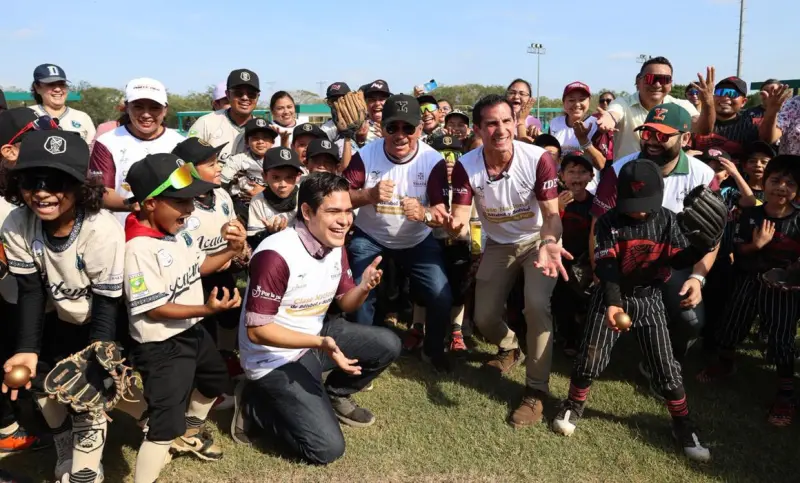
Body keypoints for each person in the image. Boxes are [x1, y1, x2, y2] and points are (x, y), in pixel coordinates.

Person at [232, 172, 401, 463]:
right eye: (333, 211)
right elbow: (257, 332)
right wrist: (322, 342)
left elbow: (345, 304)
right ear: (307, 211)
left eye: (348, 211)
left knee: (388, 343)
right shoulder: (275, 255)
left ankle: (335, 393)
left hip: (313, 340)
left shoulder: (335, 243)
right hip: (272, 357)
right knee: (326, 450)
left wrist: (363, 287)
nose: (344, 220)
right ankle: (255, 403)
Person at [551, 158, 712, 463]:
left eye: (645, 202)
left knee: (665, 366)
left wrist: (703, 244)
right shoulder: (610, 221)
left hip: (649, 298)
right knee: (591, 356)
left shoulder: (667, 220)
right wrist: (613, 301)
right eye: (632, 201)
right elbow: (607, 265)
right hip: (610, 295)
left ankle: (683, 424)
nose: (638, 209)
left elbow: (678, 260)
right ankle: (574, 403)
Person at [1, 131, 126, 482]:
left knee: (87, 389)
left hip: (102, 316)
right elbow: (30, 290)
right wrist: (27, 348)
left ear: (81, 185)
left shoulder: (101, 229)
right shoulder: (17, 222)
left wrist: (99, 356)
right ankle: (64, 443)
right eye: (30, 180)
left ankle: (87, 469)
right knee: (42, 385)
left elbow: (107, 301)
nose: (41, 191)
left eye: (56, 181)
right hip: (57, 314)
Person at [443, 94, 568, 428]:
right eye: (491, 123)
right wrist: (441, 221)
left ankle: (536, 392)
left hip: (539, 241)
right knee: (483, 317)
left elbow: (552, 215)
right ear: (479, 129)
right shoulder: (467, 166)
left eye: (506, 121)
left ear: (516, 123)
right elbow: (459, 220)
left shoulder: (539, 158)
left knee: (536, 305)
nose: (501, 130)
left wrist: (549, 242)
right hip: (499, 244)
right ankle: (512, 347)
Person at [122, 152, 245, 483]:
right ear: (149, 203)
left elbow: (199, 267)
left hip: (192, 330)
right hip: (161, 345)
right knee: (164, 423)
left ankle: (187, 433)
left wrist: (233, 250)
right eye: (180, 201)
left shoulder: (178, 231)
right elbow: (154, 308)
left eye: (192, 200)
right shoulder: (138, 249)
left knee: (215, 381)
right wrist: (208, 310)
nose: (190, 209)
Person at [591, 103, 718, 387]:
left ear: (685, 139)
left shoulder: (703, 176)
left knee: (690, 319)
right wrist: (600, 272)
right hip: (624, 261)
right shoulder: (621, 169)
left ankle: (658, 362)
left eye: (663, 136)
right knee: (600, 308)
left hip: (675, 264)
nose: (652, 141)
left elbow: (711, 236)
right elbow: (596, 227)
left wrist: (698, 277)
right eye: (648, 133)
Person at [342, 94, 454, 371]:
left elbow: (441, 211)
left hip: (416, 239)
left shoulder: (433, 160)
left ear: (419, 128)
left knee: (441, 294)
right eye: (393, 127)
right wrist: (368, 195)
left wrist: (425, 214)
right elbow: (341, 197)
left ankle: (433, 350)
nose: (400, 135)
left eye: (408, 128)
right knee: (358, 291)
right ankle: (362, 354)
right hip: (371, 236)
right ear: (381, 128)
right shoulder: (365, 155)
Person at [697, 155, 800, 426]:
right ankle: (726, 363)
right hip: (748, 280)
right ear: (764, 184)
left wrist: (793, 271)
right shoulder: (751, 214)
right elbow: (737, 250)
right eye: (776, 180)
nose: (782, 187)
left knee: (781, 339)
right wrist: (757, 245)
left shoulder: (798, 221)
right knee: (733, 324)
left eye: (790, 183)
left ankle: (786, 394)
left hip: (783, 291)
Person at [0, 108, 57, 455]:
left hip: (44, 301)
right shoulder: (9, 206)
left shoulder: (41, 189)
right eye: (35, 142)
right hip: (13, 302)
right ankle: (8, 426)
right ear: (9, 151)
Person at [89, 77, 185, 225]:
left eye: (154, 108)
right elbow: (101, 192)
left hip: (172, 232)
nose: (146, 114)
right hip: (123, 231)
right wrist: (135, 204)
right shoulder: (107, 142)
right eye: (138, 107)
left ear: (165, 110)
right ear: (127, 107)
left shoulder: (179, 142)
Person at [596, 57, 714, 158]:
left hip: (666, 179)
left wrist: (708, 103)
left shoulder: (680, 106)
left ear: (670, 84)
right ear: (638, 81)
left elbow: (702, 129)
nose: (657, 84)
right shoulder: (622, 103)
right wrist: (608, 119)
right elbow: (613, 113)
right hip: (626, 176)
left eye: (664, 80)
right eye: (651, 79)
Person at [552, 152, 595, 356]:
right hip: (558, 258)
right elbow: (547, 228)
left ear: (591, 176)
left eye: (582, 172)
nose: (577, 178)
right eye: (571, 172)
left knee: (582, 301)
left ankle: (580, 336)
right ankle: (566, 336)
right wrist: (558, 208)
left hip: (584, 260)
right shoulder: (553, 200)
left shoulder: (595, 204)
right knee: (562, 298)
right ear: (562, 175)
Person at [692, 76, 779, 161]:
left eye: (732, 93)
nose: (725, 98)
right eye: (720, 92)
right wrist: (707, 104)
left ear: (743, 102)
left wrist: (771, 110)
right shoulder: (697, 121)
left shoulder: (750, 126)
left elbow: (767, 141)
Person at [188, 69, 260, 163]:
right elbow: (188, 160)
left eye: (251, 94)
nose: (245, 98)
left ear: (258, 97)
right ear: (228, 95)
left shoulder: (264, 129)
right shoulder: (206, 123)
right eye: (238, 93)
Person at [548, 82, 607, 192]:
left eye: (582, 99)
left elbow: (601, 164)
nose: (577, 104)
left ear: (589, 101)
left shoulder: (596, 124)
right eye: (571, 100)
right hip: (559, 190)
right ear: (564, 103)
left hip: (587, 192)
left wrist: (584, 141)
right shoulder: (555, 123)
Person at [246, 147, 303, 248]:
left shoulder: (303, 195)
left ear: (298, 177)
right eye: (276, 177)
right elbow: (253, 240)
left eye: (289, 177)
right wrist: (270, 233)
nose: (282, 184)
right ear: (264, 176)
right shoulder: (258, 201)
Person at [222, 119, 278, 218]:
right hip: (241, 207)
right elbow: (222, 185)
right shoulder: (237, 160)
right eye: (255, 138)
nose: (260, 142)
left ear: (272, 141)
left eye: (265, 138)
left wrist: (264, 193)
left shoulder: (279, 161)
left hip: (272, 205)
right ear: (247, 142)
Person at [29, 64, 96, 143]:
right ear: (37, 88)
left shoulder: (82, 117)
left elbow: (92, 151)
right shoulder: (26, 115)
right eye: (51, 84)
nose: (57, 89)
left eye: (61, 84)